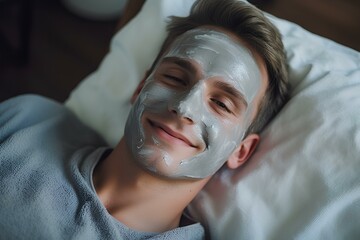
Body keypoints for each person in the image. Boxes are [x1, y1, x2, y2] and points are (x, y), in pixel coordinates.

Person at [0, 0, 288, 239]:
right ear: (141, 88)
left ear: (241, 150)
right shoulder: (29, 120)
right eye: (175, 78)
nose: (185, 107)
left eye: (222, 104)